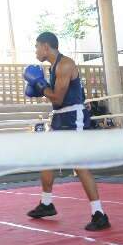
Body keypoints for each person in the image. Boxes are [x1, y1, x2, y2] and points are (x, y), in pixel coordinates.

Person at [23, 31, 111, 231]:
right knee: (47, 159)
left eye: (37, 47)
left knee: (79, 164)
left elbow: (58, 98)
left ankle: (99, 213)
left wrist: (39, 85)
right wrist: (40, 87)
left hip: (73, 118)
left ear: (46, 47)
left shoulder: (65, 64)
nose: (35, 51)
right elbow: (55, 99)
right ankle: (46, 204)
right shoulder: (53, 67)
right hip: (60, 118)